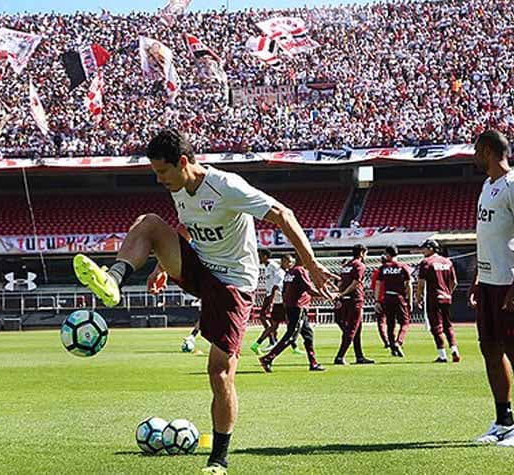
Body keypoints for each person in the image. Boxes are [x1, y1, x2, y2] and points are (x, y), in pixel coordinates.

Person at [72, 129, 337, 474]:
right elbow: (185, 225)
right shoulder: (179, 187)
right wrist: (161, 266)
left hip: (232, 284)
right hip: (200, 267)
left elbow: (283, 214)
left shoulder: (226, 186)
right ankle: (114, 278)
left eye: (162, 172)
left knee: (220, 372)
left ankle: (219, 459)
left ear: (183, 162)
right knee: (150, 223)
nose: (158, 180)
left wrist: (312, 264)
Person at [469, 130, 514, 447]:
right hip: (488, 282)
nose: (474, 157)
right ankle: (504, 421)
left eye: (476, 151)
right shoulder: (488, 185)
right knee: (490, 350)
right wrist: (477, 277)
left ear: (487, 150)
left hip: (511, 284)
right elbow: (487, 237)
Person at [258, 254, 325, 372]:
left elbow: (284, 290)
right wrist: (327, 296)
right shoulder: (300, 271)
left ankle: (313, 363)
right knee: (291, 336)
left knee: (308, 335)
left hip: (293, 307)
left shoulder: (290, 272)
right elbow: (309, 289)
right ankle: (268, 358)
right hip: (298, 307)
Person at [416, 239, 460, 363]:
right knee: (448, 325)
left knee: (436, 327)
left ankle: (442, 355)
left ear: (431, 248)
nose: (423, 251)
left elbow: (421, 283)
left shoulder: (426, 262)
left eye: (424, 248)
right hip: (446, 297)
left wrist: (418, 297)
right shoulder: (448, 261)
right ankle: (454, 349)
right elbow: (454, 282)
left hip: (434, 297)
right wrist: (448, 293)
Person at [251, 253, 301, 355]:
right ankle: (292, 347)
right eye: (289, 262)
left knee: (276, 326)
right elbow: (275, 288)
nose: (291, 264)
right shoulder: (280, 273)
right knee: (291, 325)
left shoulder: (282, 271)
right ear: (283, 261)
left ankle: (257, 344)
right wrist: (271, 303)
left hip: (279, 301)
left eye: (292, 262)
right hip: (281, 302)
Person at [332, 244, 374, 365]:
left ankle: (359, 356)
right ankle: (340, 357)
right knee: (351, 329)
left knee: (357, 329)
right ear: (362, 253)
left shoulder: (347, 265)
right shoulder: (359, 265)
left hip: (345, 300)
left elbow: (341, 282)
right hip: (354, 300)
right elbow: (355, 283)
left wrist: (340, 294)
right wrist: (342, 293)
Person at [375, 245, 412, 358]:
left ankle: (392, 347)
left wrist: (377, 300)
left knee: (390, 324)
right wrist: (409, 300)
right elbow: (408, 284)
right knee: (405, 323)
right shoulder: (403, 267)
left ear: (388, 254)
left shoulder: (383, 268)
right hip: (399, 297)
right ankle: (398, 342)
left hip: (387, 297)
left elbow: (378, 285)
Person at [250, 249, 281, 354]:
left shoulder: (274, 266)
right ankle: (273, 341)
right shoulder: (267, 267)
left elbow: (278, 282)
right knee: (269, 320)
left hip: (274, 296)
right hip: (269, 295)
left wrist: (272, 299)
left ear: (265, 256)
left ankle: (273, 341)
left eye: (260, 255)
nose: (258, 258)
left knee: (267, 319)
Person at [370, 257, 390, 348]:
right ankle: (394, 341)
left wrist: (376, 300)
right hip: (391, 298)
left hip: (380, 299)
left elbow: (374, 288)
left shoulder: (376, 273)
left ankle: (386, 341)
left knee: (381, 322)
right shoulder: (394, 272)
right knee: (392, 321)